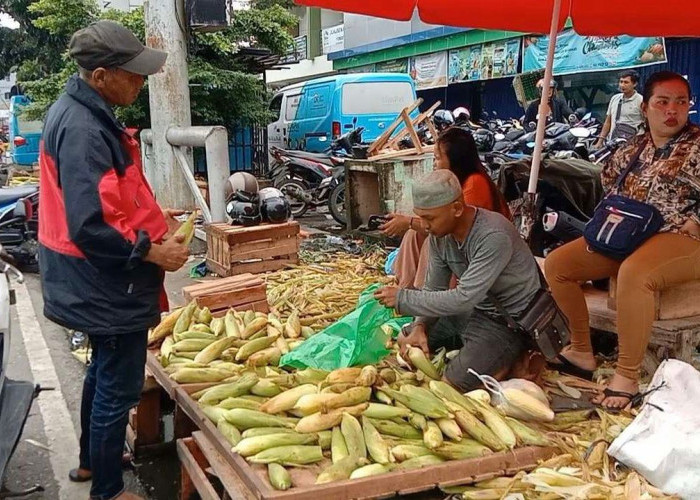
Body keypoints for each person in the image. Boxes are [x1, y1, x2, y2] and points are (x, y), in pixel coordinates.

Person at [38, 21, 189, 500]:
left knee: (102, 371)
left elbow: (108, 200)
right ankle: (107, 489)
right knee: (118, 389)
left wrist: (151, 213)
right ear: (101, 76)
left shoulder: (83, 113)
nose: (140, 83)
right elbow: (89, 224)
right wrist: (151, 249)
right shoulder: (84, 129)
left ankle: (90, 462)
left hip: (87, 278)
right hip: (105, 280)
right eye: (133, 75)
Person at [545, 71, 700, 411]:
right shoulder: (632, 147)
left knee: (635, 272)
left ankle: (626, 376)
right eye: (663, 102)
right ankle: (582, 350)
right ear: (645, 107)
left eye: (681, 102)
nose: (672, 110)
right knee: (558, 265)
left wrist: (696, 220)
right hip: (630, 233)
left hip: (683, 237)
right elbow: (608, 183)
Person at [374, 170, 541, 391]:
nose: (423, 225)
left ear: (457, 209)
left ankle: (513, 358)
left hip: (507, 321)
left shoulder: (493, 235)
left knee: (453, 384)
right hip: (474, 312)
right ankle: (482, 355)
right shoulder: (439, 237)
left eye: (430, 218)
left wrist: (403, 298)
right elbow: (434, 288)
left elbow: (464, 298)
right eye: (420, 216)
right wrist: (420, 326)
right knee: (407, 339)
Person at [383, 127, 511, 289]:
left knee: (434, 242)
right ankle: (406, 289)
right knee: (414, 234)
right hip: (464, 244)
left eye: (437, 158)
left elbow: (456, 226)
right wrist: (410, 223)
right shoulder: (456, 183)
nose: (434, 164)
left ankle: (427, 297)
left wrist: (408, 221)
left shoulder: (475, 183)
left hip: (483, 253)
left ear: (455, 159)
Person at [595, 70, 644, 147]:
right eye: (621, 82)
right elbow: (608, 121)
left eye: (626, 82)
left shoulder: (641, 101)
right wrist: (600, 141)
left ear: (635, 84)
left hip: (632, 145)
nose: (622, 85)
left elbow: (647, 124)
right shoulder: (615, 98)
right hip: (613, 143)